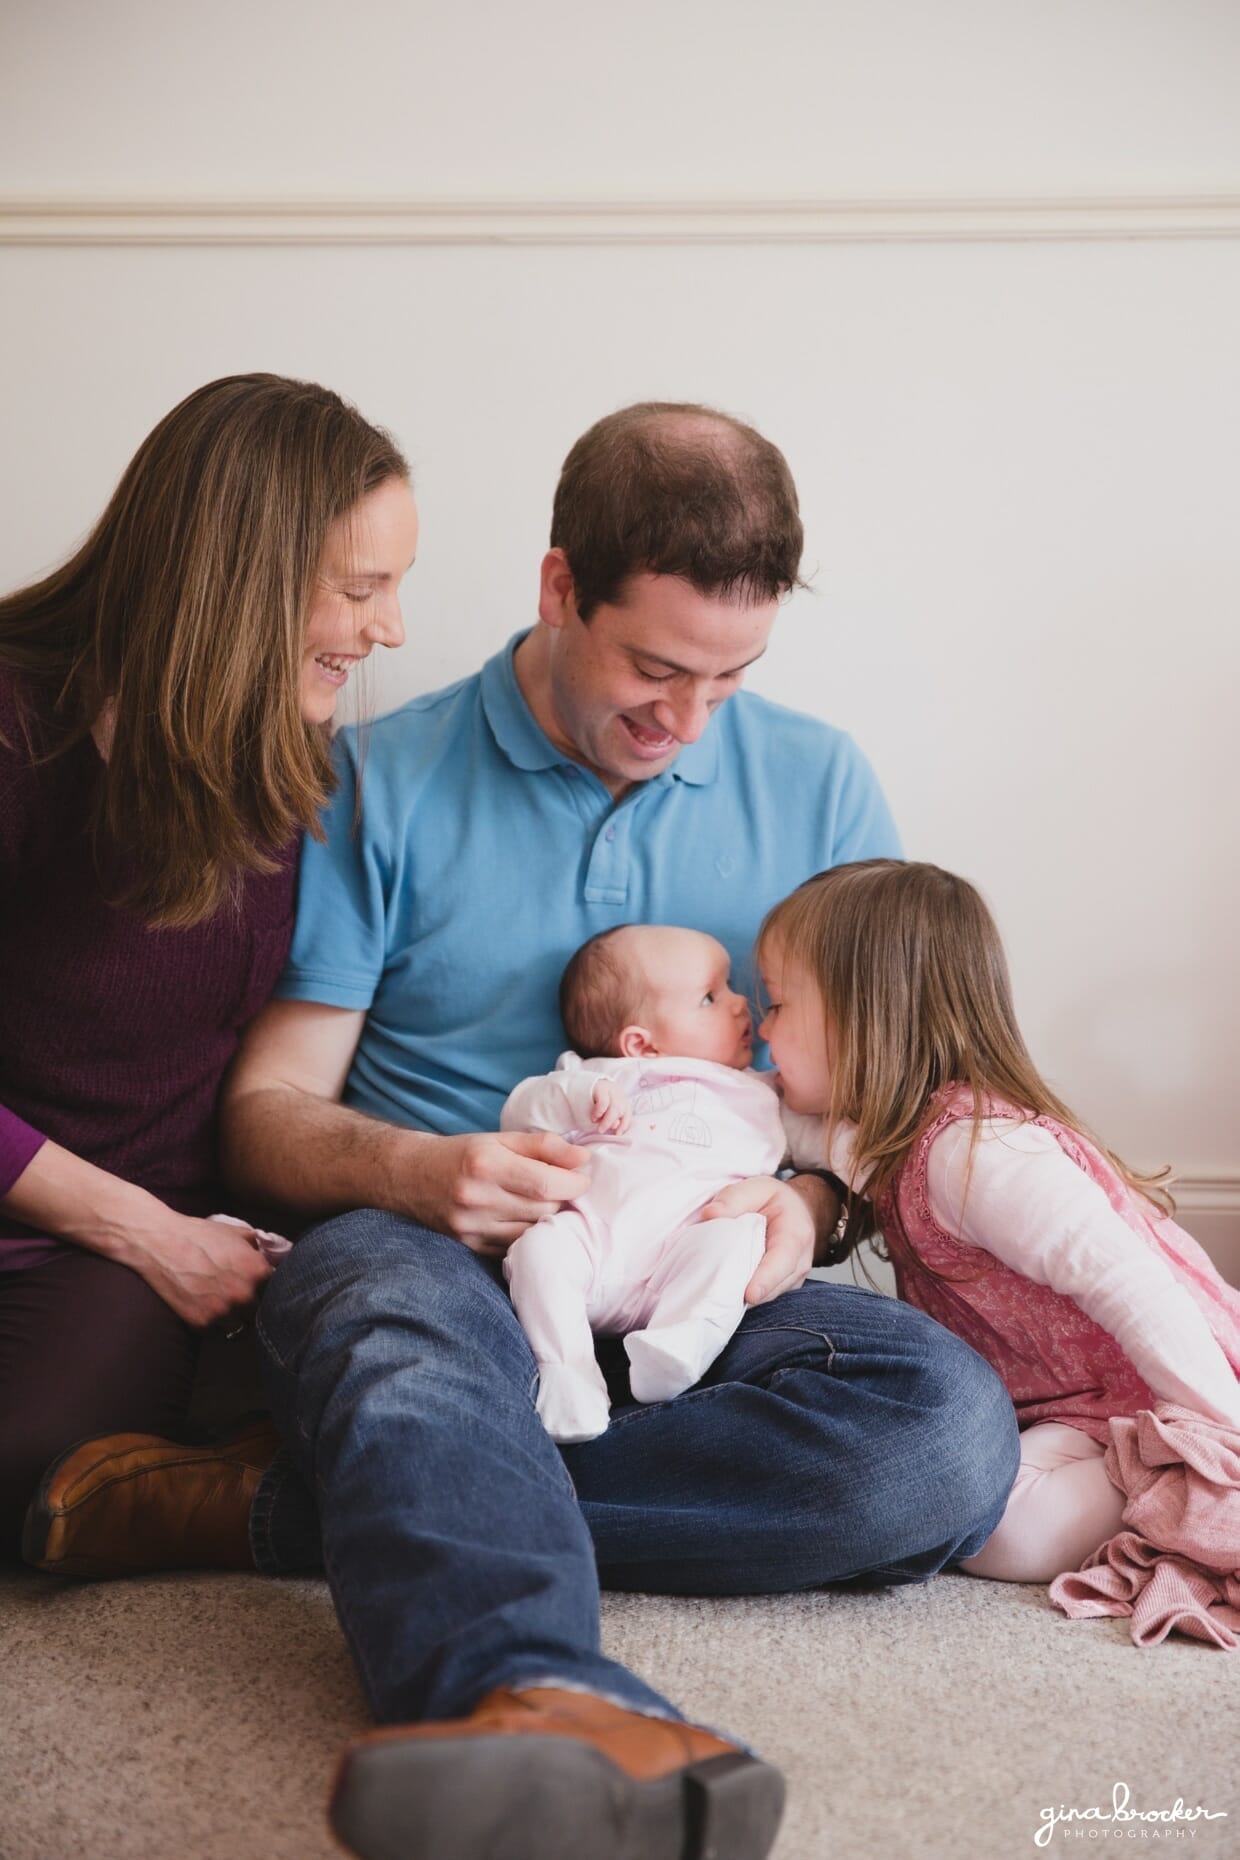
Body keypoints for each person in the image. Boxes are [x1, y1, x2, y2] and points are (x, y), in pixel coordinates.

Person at [27, 404, 1020, 1860]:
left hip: (704, 1263)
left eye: (731, 680)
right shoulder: (377, 777)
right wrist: (418, 1174)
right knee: (404, 1346)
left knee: (942, 1445)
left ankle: (279, 1507)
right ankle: (533, 1692)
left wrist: (805, 1212)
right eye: (655, 669)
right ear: (561, 592)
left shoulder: (819, 784)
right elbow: (265, 1114)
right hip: (431, 1255)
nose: (688, 721)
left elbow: (889, 1106)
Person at [0, 373, 417, 1561]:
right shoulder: (19, 724)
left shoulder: (295, 750)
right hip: (82, 1202)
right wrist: (142, 1228)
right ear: (240, 576)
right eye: (360, 589)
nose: (389, 629)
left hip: (110, 1257)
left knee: (35, 1463)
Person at [758, 858, 1240, 1586]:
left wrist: (1220, 1431)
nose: (762, 1029)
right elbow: (777, 1126)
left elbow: (1132, 1283)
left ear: (862, 1016)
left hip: (1150, 1397)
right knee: (954, 1498)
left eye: (776, 1004)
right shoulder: (883, 1140)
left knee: (997, 1533)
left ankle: (1184, 1473)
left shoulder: (976, 1152)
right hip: (1067, 1412)